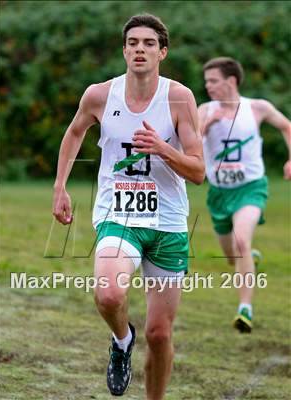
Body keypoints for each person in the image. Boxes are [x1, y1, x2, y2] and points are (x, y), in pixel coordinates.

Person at [53, 14, 204, 399]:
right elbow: (73, 134)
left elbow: (199, 171)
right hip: (118, 215)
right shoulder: (100, 95)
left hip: (168, 223)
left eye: (149, 43)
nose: (140, 49)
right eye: (133, 42)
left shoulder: (179, 98)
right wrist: (60, 187)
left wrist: (163, 149)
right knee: (108, 294)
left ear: (162, 52)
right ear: (124, 50)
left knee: (159, 334)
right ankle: (121, 341)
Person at [198, 57, 291, 333]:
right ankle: (250, 256)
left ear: (231, 81)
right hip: (219, 193)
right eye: (206, 81)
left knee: (241, 241)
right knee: (233, 255)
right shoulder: (205, 110)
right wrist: (208, 125)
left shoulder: (257, 107)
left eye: (213, 81)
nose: (208, 86)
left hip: (251, 188)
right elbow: (189, 141)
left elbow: (287, 126)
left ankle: (244, 309)